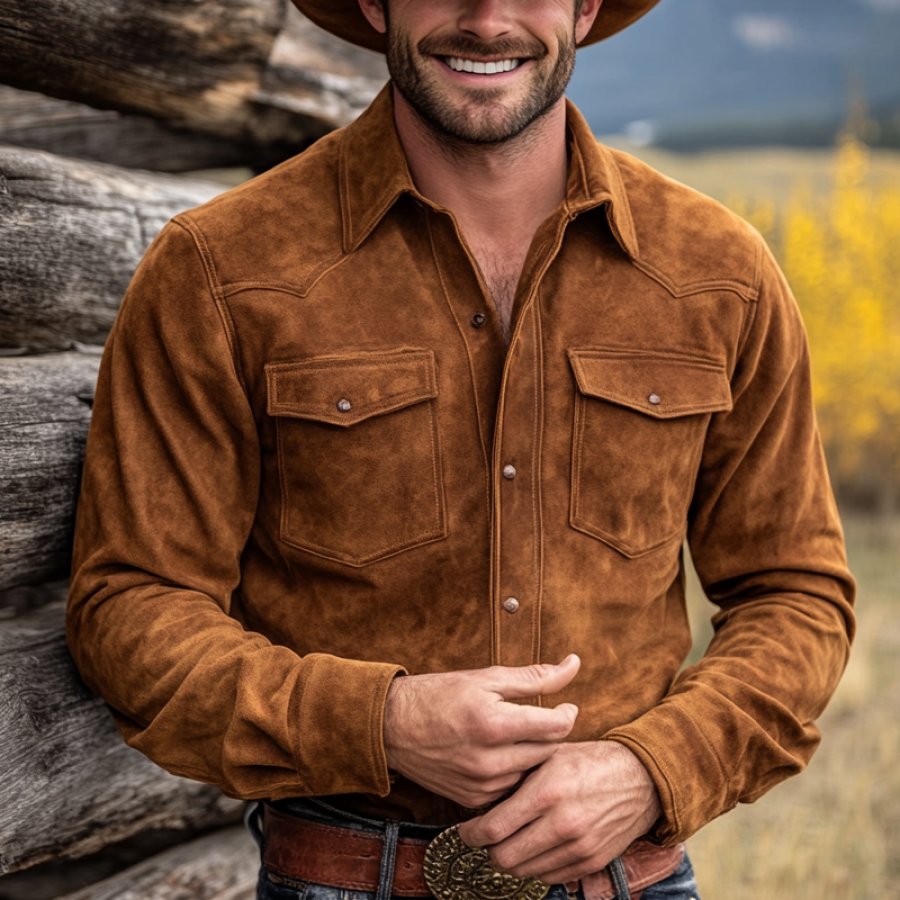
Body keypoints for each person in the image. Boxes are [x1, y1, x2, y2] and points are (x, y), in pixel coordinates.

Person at [66, 0, 856, 898]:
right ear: (375, 2)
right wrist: (381, 721)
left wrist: (652, 768)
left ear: (584, 6)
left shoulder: (720, 271)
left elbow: (797, 594)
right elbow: (129, 607)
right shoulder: (218, 270)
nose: (487, 21)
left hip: (632, 880)